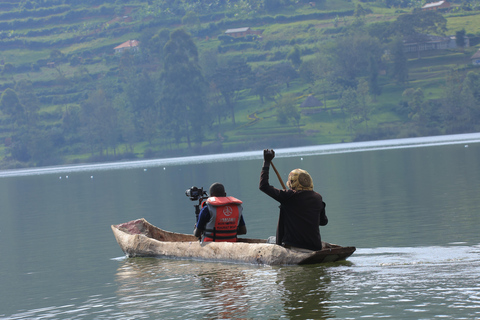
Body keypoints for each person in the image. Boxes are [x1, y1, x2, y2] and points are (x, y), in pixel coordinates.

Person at [259, 149, 328, 251]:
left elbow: (263, 186)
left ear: (292, 183)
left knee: (270, 240)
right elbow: (323, 222)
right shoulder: (318, 198)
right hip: (315, 247)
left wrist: (267, 162)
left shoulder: (288, 196)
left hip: (294, 247)